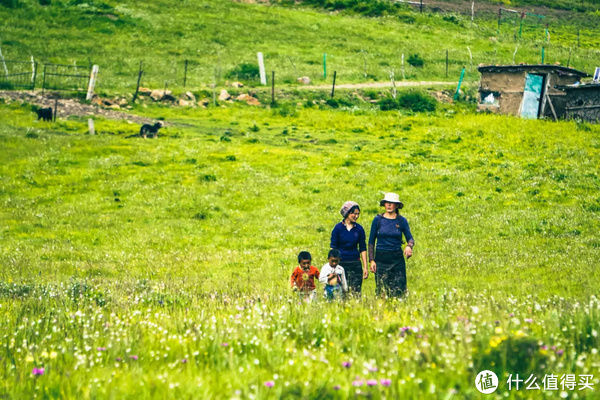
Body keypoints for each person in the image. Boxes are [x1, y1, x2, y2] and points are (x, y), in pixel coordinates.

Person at [368, 192, 415, 298]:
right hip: (381, 259)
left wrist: (409, 246)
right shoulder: (378, 220)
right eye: (387, 202)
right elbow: (371, 241)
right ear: (384, 204)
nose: (389, 205)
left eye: (392, 203)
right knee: (381, 291)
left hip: (397, 259)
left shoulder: (401, 221)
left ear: (397, 205)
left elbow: (410, 238)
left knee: (399, 291)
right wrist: (371, 260)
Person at [330, 201, 368, 296]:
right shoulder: (338, 228)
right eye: (354, 213)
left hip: (355, 264)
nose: (356, 216)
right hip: (341, 264)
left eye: (358, 214)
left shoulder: (359, 229)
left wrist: (365, 267)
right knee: (341, 292)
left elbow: (362, 248)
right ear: (347, 213)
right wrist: (332, 266)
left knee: (356, 292)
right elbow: (333, 248)